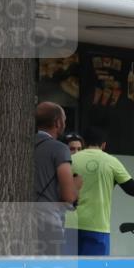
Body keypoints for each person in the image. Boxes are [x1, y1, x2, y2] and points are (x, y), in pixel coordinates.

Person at [66, 127, 134, 256]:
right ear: (104, 145)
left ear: (83, 143)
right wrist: (113, 181)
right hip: (97, 226)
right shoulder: (111, 161)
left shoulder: (70, 159)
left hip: (69, 225)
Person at [34, 102, 80, 254]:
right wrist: (76, 184)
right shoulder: (60, 149)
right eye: (64, 120)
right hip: (48, 225)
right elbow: (68, 196)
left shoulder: (21, 145)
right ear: (58, 123)